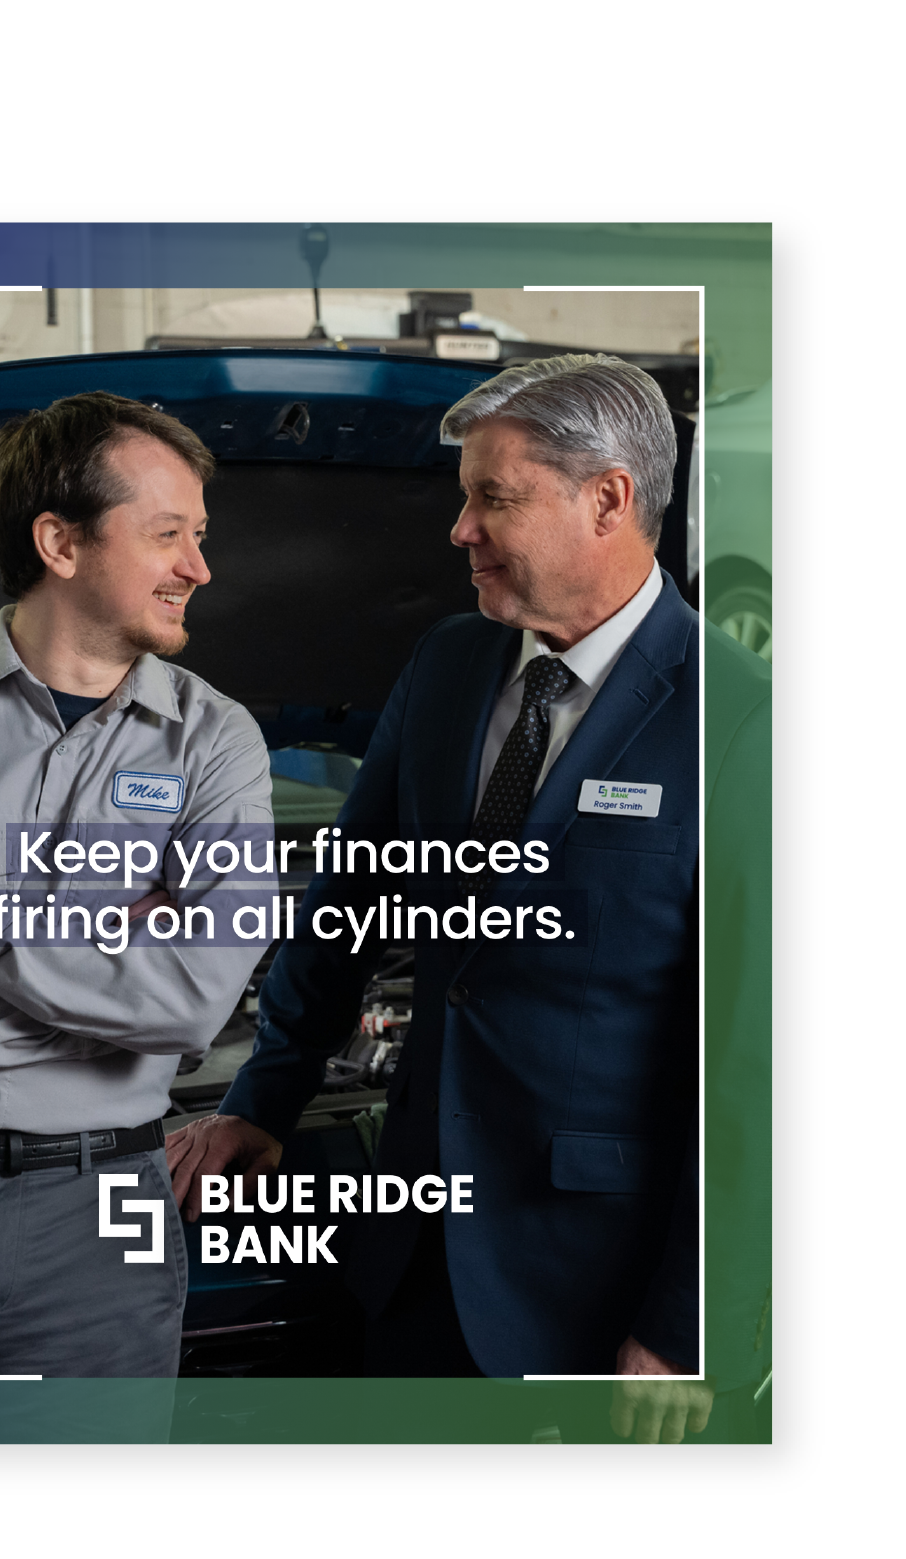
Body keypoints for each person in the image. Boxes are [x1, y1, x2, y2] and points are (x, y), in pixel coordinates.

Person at [168, 354, 722, 1431]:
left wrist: (687, 1320)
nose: (457, 530)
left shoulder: (729, 717)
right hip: (414, 1253)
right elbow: (349, 899)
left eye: (491, 497)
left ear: (606, 497)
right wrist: (261, 1099)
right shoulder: (450, 661)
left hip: (593, 1288)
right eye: (461, 495)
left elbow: (744, 1071)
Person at [0, 391, 272, 1378]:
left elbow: (189, 996)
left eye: (200, 536)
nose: (199, 568)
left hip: (108, 1213)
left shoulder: (218, 742)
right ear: (60, 542)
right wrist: (100, 1012)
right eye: (169, 534)